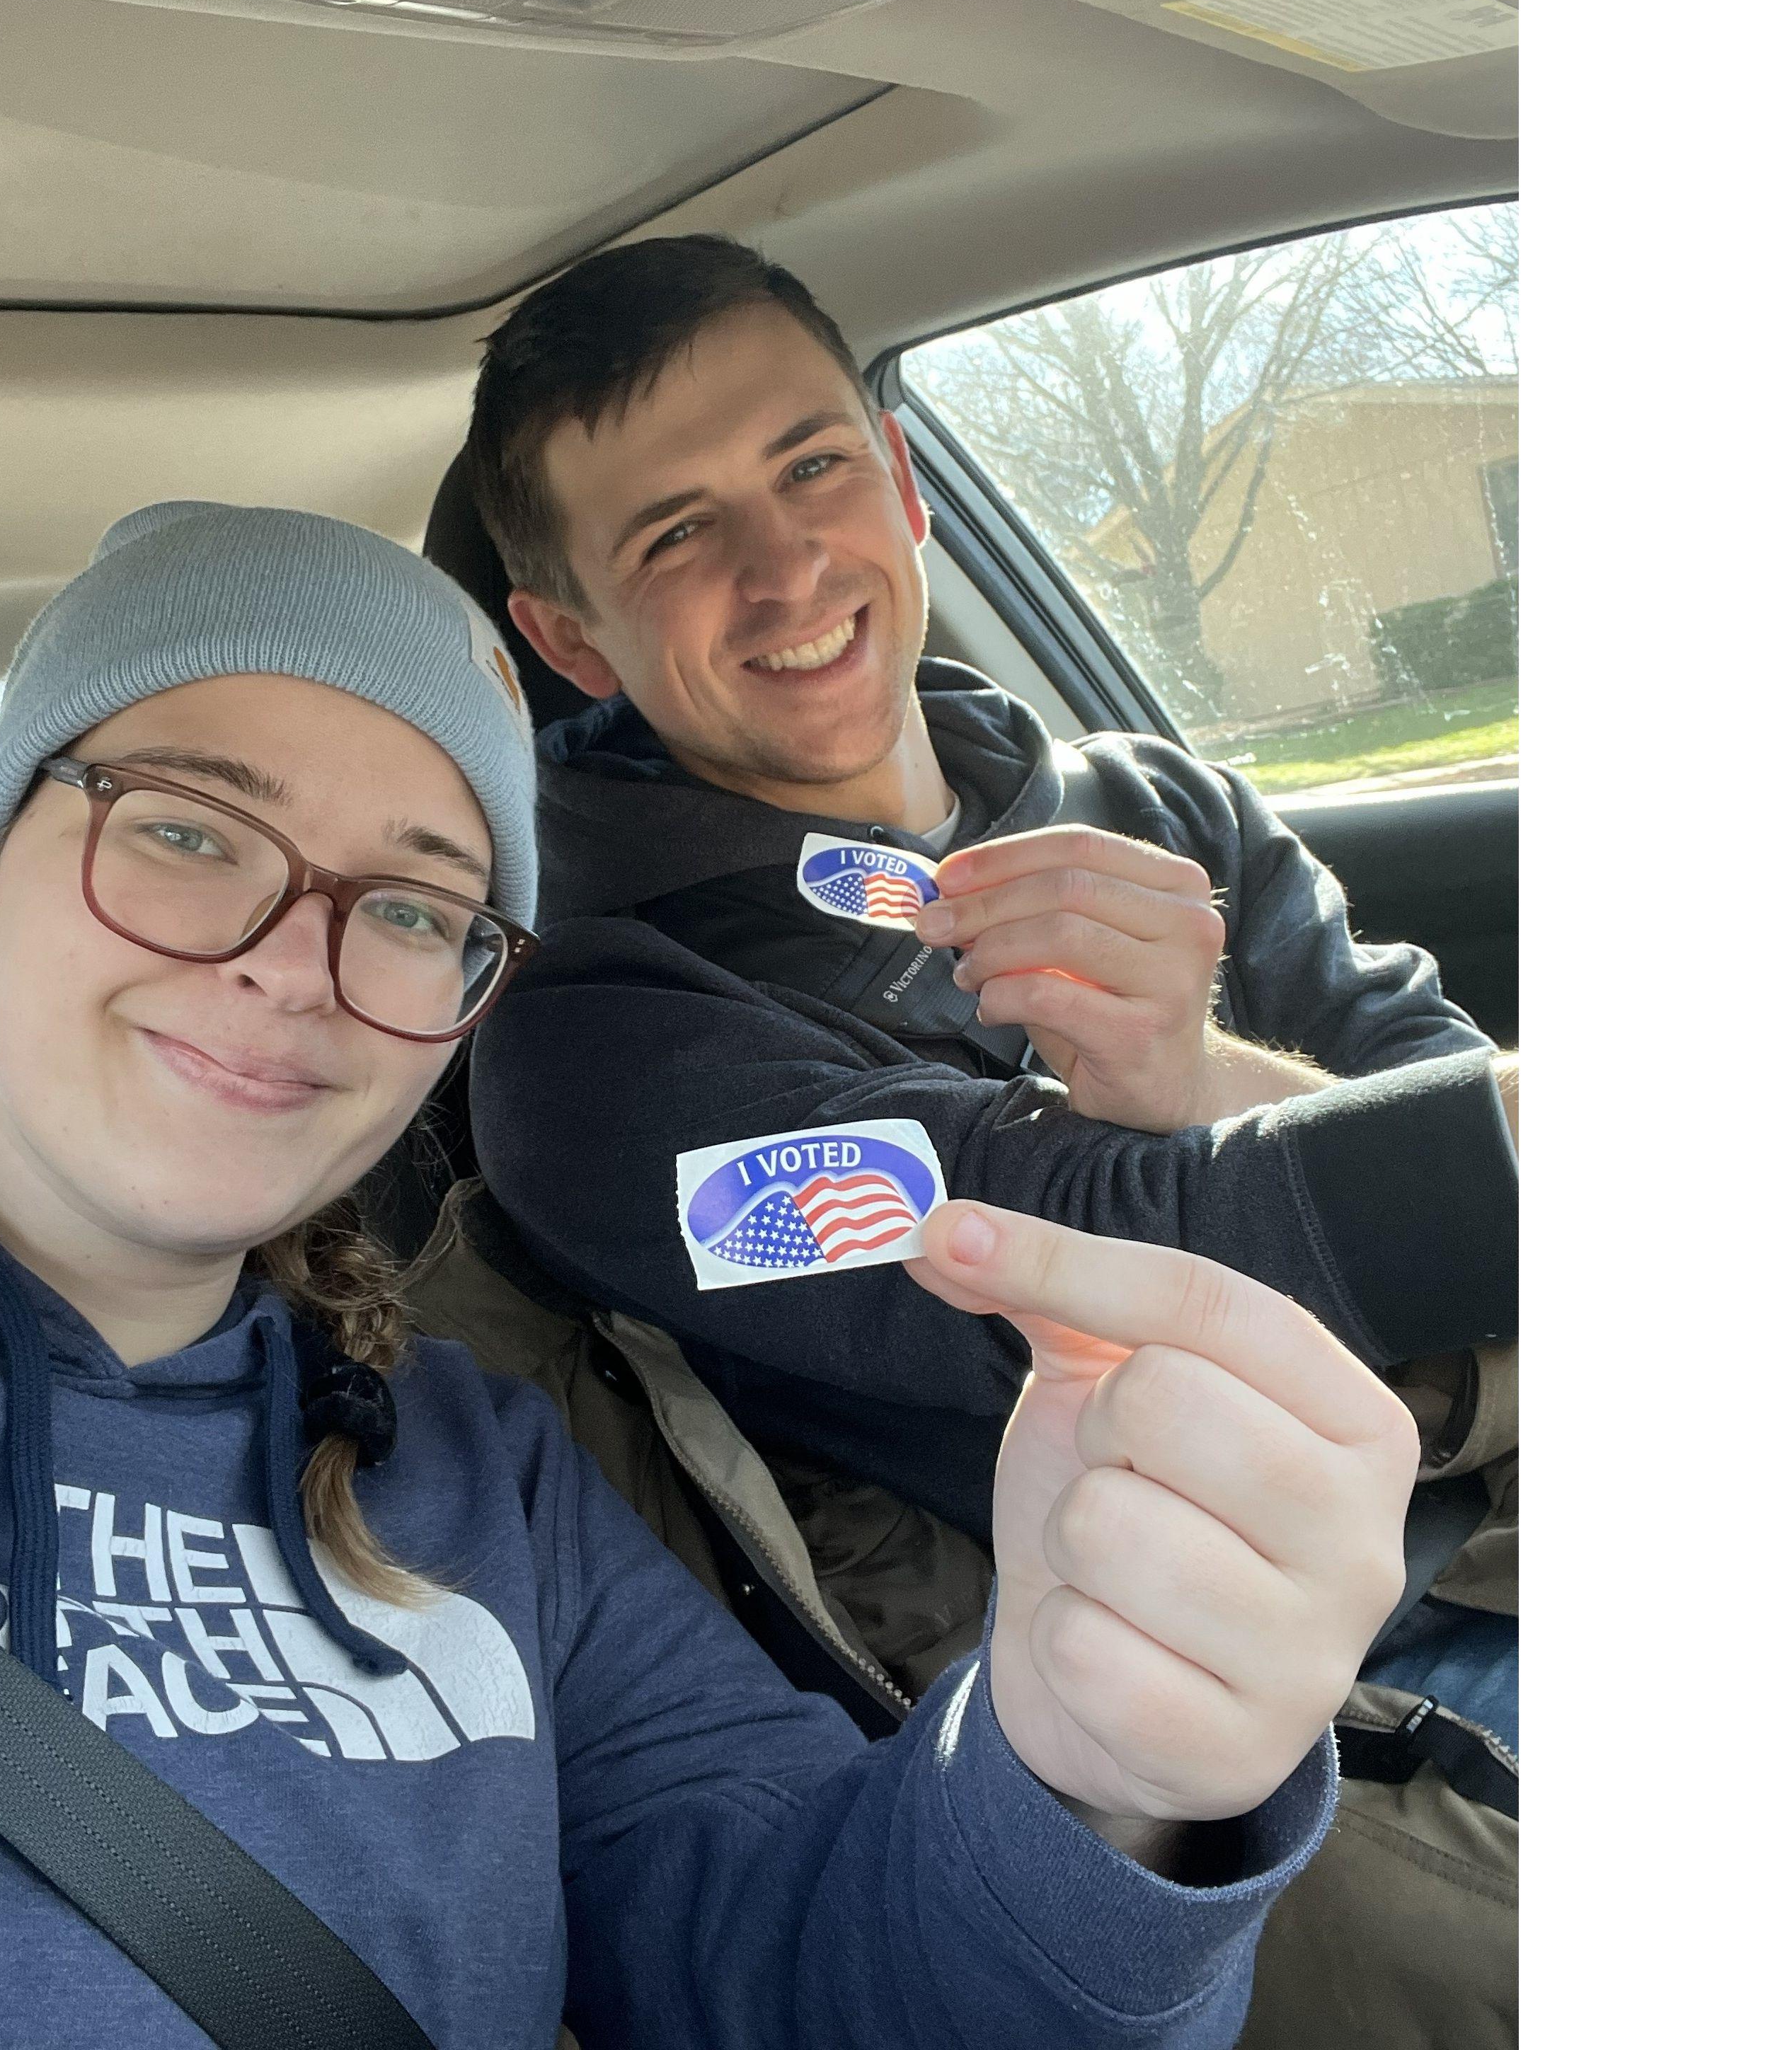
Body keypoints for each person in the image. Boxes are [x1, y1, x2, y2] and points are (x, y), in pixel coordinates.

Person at [0, 500, 1418, 2049]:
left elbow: (810, 1972)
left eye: (411, 907)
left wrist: (1086, 1791)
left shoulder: (474, 1473)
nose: (291, 964)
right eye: (188, 831)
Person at [449, 236, 1518, 2043]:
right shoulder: (590, 1026)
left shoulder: (1155, 803)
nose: (785, 565)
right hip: (1265, 1713)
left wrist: (1196, 1064)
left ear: (901, 479)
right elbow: (1069, 1257)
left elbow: (1435, 1079)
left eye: (811, 466)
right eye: (676, 534)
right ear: (568, 637)